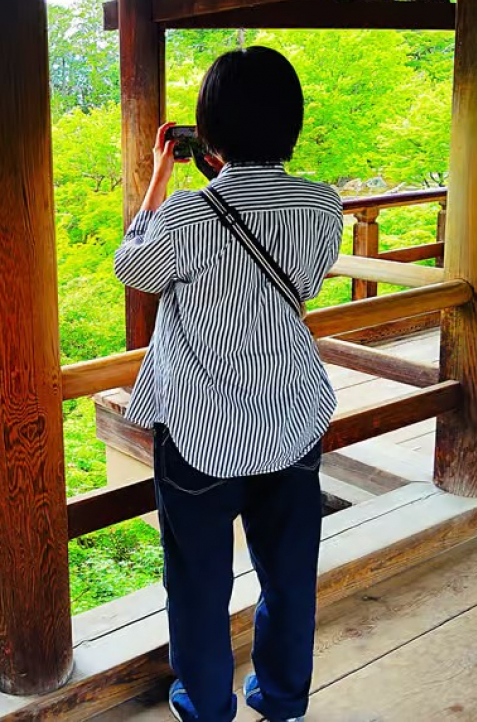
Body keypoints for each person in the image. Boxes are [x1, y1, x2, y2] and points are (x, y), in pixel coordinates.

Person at [113, 46, 343, 722]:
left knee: (197, 583)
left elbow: (136, 269)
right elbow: (299, 285)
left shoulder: (187, 216)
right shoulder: (323, 206)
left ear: (207, 130)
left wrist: (159, 177)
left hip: (198, 430)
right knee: (290, 574)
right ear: (290, 124)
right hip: (291, 419)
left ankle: (208, 705)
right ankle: (282, 699)